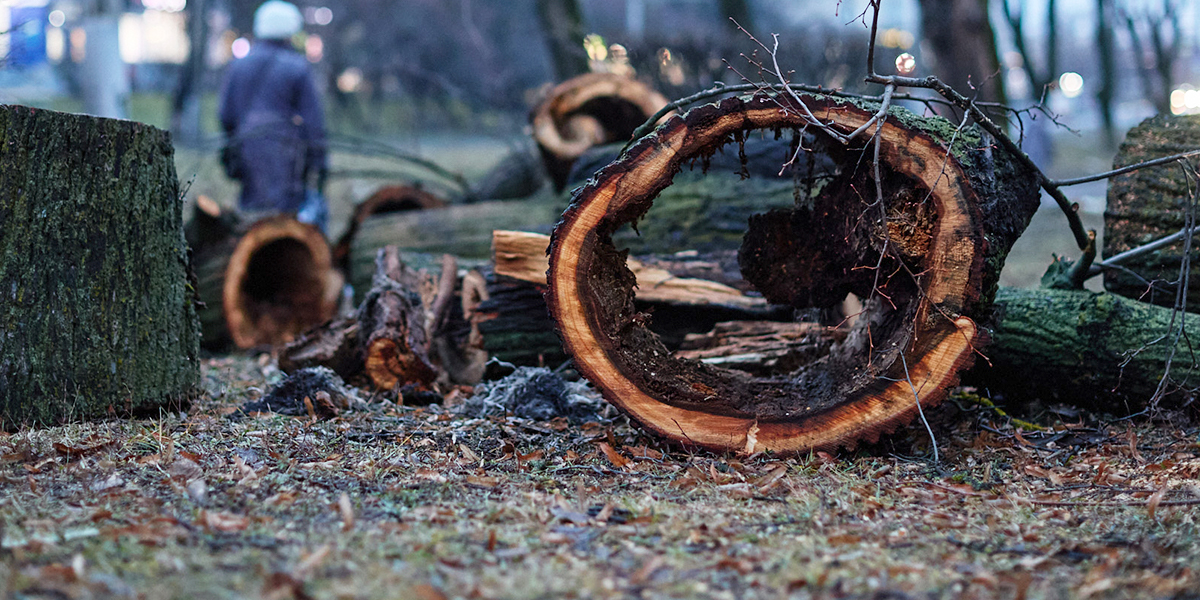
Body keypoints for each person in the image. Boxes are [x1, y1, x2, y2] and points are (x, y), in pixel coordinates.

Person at [219, 0, 328, 230]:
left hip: (247, 149)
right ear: (291, 29)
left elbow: (226, 115)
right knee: (286, 221)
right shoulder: (298, 67)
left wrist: (234, 150)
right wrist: (319, 162)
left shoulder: (239, 66)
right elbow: (313, 123)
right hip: (288, 154)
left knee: (251, 221)